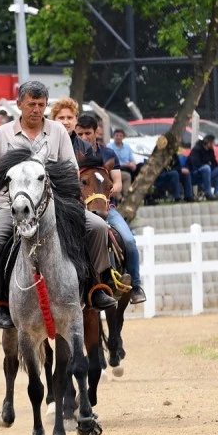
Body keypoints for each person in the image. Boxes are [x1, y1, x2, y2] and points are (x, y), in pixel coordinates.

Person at [0, 82, 117, 331]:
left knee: (97, 226)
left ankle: (99, 284)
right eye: (31, 104)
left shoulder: (58, 132)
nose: (36, 109)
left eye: (41, 105)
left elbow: (71, 171)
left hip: (56, 205)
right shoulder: (2, 134)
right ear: (19, 104)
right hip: (12, 207)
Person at [75, 113, 146, 304]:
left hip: (107, 206)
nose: (83, 138)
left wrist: (102, 193)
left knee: (129, 241)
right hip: (79, 209)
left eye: (87, 133)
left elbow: (117, 183)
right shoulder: (70, 155)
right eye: (79, 133)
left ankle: (136, 286)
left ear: (95, 132)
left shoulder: (108, 154)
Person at [188, 134, 218, 200]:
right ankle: (208, 193)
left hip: (207, 172)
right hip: (196, 173)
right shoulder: (197, 149)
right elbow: (195, 163)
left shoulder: (210, 150)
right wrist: (208, 165)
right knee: (206, 168)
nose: (214, 144)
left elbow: (214, 163)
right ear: (208, 143)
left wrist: (211, 166)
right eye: (213, 143)